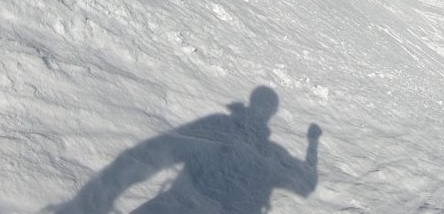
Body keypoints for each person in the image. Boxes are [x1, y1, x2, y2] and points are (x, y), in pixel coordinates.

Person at [56, 86, 321, 214]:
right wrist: (312, 146)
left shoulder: (219, 126)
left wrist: (95, 199)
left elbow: (155, 152)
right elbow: (306, 183)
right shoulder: (271, 153)